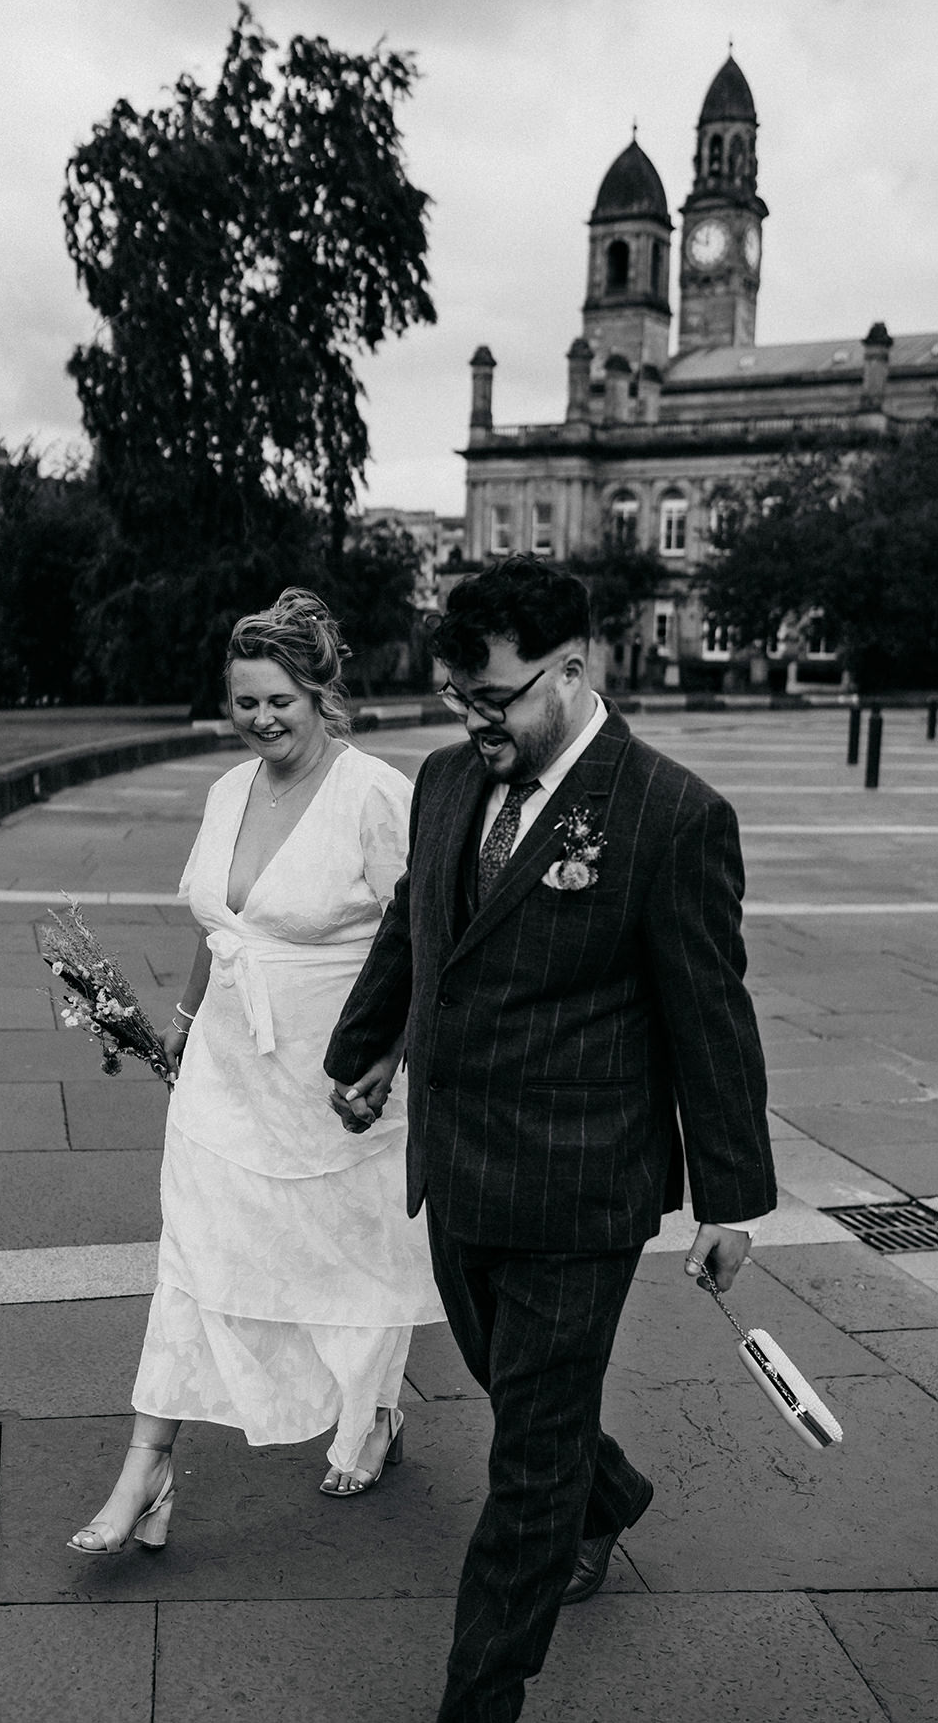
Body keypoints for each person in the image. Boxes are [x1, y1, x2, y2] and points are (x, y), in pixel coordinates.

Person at [325, 557, 776, 1722]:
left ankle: (480, 1696)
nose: (474, 722)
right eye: (456, 699)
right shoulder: (440, 782)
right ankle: (607, 1491)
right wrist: (363, 1047)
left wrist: (731, 1196)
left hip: (583, 1187)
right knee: (521, 1392)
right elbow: (416, 927)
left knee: (523, 1460)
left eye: (496, 698)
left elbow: (709, 1011)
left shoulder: (671, 815)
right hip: (458, 1167)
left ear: (574, 670)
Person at [68, 588, 443, 1556]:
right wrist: (185, 1023)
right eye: (245, 703)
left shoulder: (376, 796)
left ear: (323, 693)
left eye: (280, 699)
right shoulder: (228, 790)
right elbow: (219, 927)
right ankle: (146, 1467)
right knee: (193, 1261)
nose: (262, 719)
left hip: (337, 1075)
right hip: (225, 1074)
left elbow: (425, 943)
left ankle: (373, 1414)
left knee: (354, 1256)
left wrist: (389, 1058)